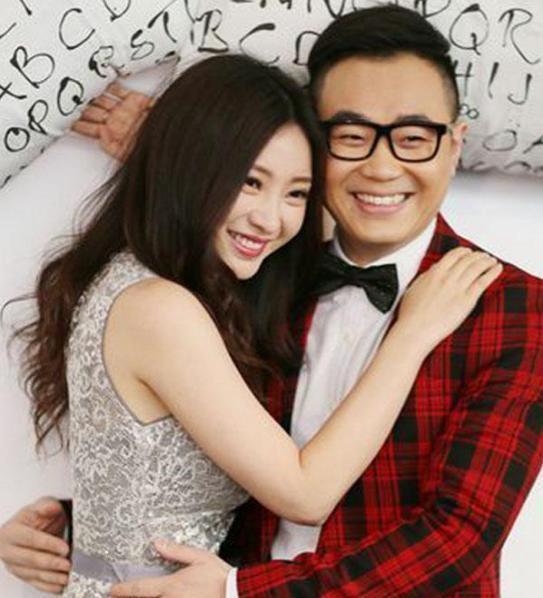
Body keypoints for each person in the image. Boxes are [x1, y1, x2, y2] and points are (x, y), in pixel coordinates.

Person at [1, 5, 542, 597]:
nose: (382, 166)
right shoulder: (266, 277)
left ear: (455, 145)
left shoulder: (513, 309)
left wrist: (241, 591)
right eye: (352, 137)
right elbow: (217, 459)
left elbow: (457, 540)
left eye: (414, 139)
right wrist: (85, 531)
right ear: (318, 145)